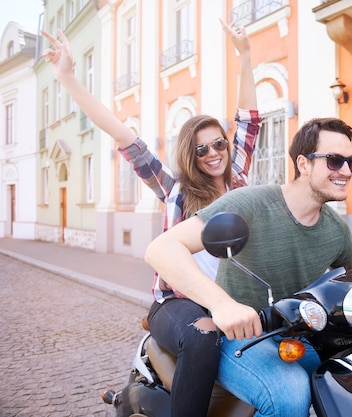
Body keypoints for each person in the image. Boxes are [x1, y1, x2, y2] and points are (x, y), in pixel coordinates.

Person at [42, 19, 262, 417]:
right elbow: (123, 136)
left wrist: (245, 55)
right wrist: (69, 78)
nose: (212, 153)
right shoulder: (174, 188)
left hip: (230, 299)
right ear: (188, 155)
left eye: (218, 144)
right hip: (177, 304)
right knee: (203, 337)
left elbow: (249, 121)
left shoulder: (241, 185)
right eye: (200, 149)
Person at [144, 117, 352, 417]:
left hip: (305, 333)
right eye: (334, 161)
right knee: (288, 393)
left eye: (351, 162)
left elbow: (347, 285)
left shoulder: (337, 229)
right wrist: (222, 304)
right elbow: (161, 249)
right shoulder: (250, 203)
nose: (345, 171)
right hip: (244, 339)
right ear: (303, 164)